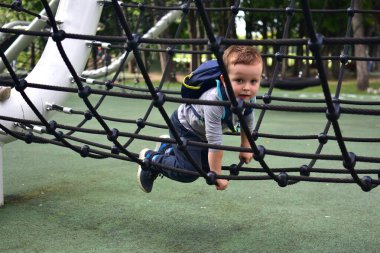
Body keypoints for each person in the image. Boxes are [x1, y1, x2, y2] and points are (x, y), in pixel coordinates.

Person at [137, 45, 263, 193]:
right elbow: (215, 143)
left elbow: (247, 120)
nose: (247, 88)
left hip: (200, 132)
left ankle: (168, 147)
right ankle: (151, 159)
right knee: (188, 172)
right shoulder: (214, 101)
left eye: (253, 81)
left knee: (203, 166)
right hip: (184, 127)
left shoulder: (248, 97)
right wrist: (216, 175)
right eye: (239, 80)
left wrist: (246, 147)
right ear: (224, 80)